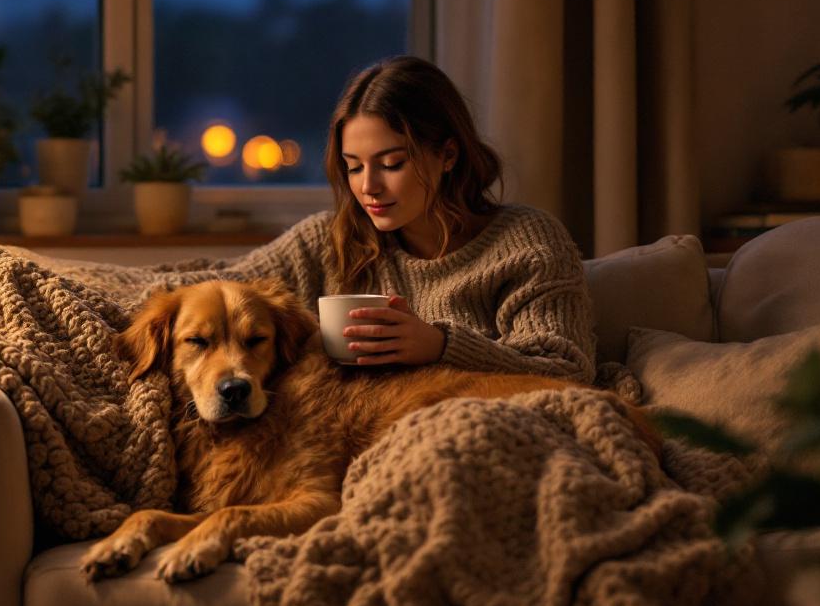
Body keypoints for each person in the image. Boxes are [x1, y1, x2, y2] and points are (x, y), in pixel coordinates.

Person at [195, 55, 596, 383]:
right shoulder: (329, 240)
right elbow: (214, 281)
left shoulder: (527, 242)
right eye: (353, 167)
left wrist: (439, 346)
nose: (368, 186)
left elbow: (568, 369)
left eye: (391, 163)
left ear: (448, 156)